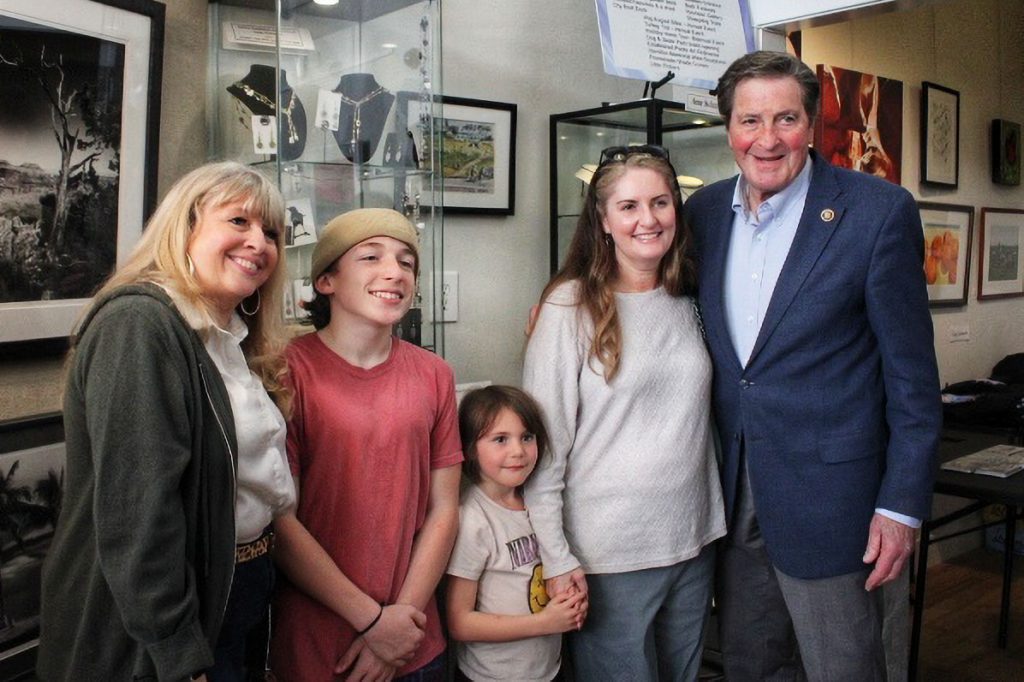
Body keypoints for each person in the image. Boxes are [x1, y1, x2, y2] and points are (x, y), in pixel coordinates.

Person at [684, 50, 942, 680]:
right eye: (749, 121)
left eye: (785, 119)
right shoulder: (704, 214)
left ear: (814, 125)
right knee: (752, 662)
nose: (766, 140)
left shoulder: (879, 213)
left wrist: (901, 506)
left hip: (839, 504)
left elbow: (913, 383)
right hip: (734, 489)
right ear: (728, 129)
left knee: (845, 665)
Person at [38, 161, 296, 680]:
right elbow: (139, 514)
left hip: (240, 588)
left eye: (270, 232)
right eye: (239, 222)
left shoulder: (229, 340)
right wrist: (177, 652)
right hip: (156, 631)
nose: (259, 243)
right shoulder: (140, 325)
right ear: (185, 226)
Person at [523, 145, 726, 680]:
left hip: (694, 537)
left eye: (661, 203)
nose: (648, 219)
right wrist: (558, 555)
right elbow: (545, 445)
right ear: (604, 220)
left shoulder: (691, 297)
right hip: (609, 551)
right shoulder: (568, 307)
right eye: (629, 206)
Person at [270, 208, 462, 681]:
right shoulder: (285, 372)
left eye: (407, 262)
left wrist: (400, 623)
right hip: (319, 646)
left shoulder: (434, 374)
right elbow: (280, 519)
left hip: (415, 641)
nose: (393, 272)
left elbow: (444, 510)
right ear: (326, 280)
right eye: (371, 257)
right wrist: (373, 622)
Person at [446, 385, 586, 682]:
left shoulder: (539, 506)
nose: (518, 451)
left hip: (549, 670)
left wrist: (568, 603)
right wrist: (547, 623)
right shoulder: (473, 519)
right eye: (500, 439)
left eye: (527, 437)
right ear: (471, 449)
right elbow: (459, 622)